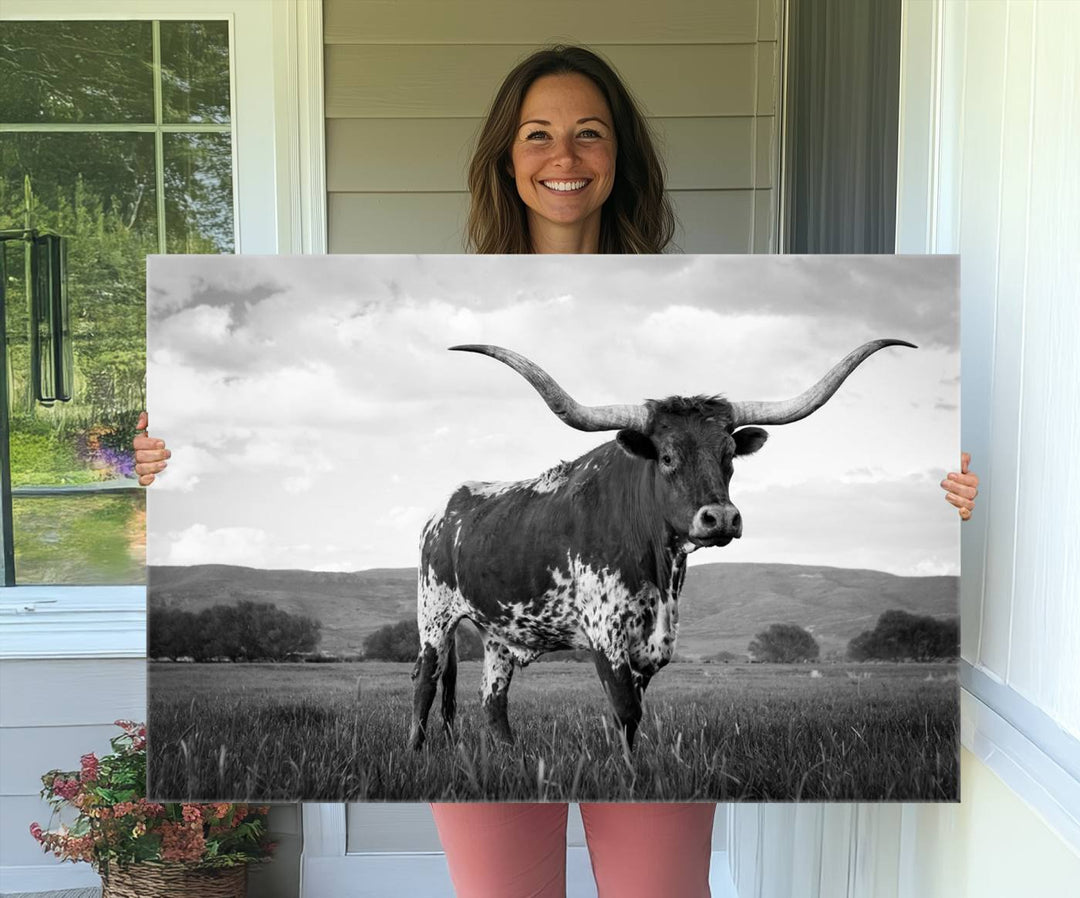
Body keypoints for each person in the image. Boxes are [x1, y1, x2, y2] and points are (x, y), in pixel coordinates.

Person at [134, 45, 979, 898]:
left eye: (590, 134)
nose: (564, 157)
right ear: (506, 157)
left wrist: (955, 495)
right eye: (537, 135)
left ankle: (624, 744)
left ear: (621, 156)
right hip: (483, 556)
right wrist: (164, 459)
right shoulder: (431, 288)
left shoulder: (711, 283)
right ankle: (446, 732)